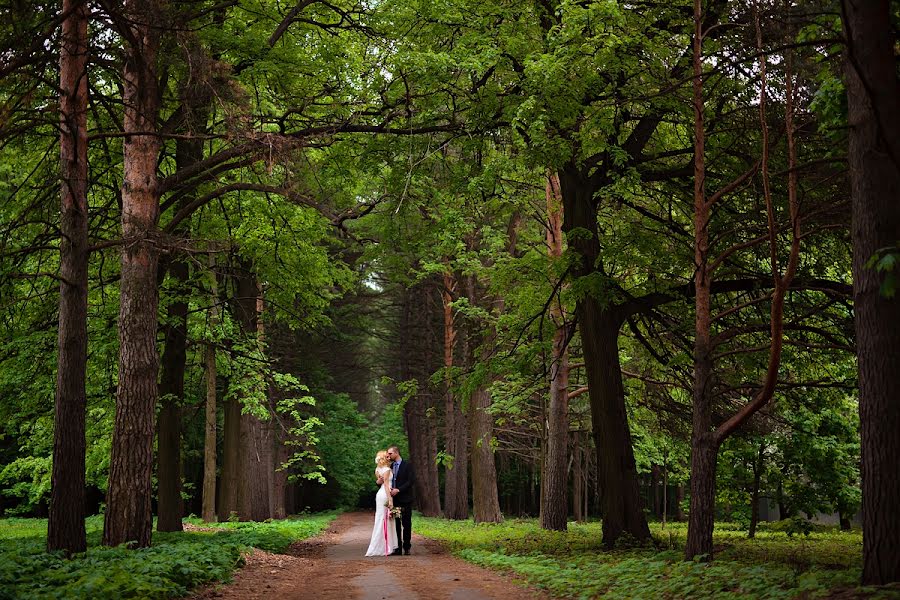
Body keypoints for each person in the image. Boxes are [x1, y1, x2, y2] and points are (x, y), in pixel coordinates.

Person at [365, 450, 399, 557]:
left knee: (381, 519)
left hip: (379, 495)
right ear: (384, 458)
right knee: (386, 519)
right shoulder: (387, 469)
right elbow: (385, 485)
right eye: (387, 456)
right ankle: (386, 546)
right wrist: (390, 500)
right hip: (385, 494)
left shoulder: (377, 469)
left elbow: (379, 482)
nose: (389, 457)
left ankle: (381, 545)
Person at [386, 445, 415, 555]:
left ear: (396, 453)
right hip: (395, 500)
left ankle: (407, 547)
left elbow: (410, 481)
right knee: (396, 524)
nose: (388, 455)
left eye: (390, 453)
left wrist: (399, 490)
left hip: (406, 499)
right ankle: (397, 547)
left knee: (406, 524)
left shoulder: (407, 465)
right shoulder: (391, 466)